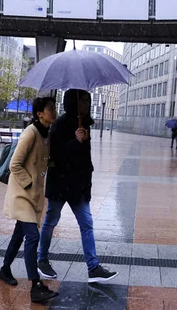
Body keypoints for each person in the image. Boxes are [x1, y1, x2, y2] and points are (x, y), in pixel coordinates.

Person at [37, 89, 118, 283]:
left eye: (88, 101)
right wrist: (76, 141)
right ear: (73, 103)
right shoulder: (58, 125)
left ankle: (93, 267)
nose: (87, 105)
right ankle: (41, 259)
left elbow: (83, 161)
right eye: (83, 101)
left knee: (86, 224)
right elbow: (55, 156)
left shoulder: (85, 125)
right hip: (60, 184)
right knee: (51, 221)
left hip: (78, 187)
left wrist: (87, 187)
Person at [0, 97, 59, 303]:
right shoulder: (30, 132)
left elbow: (43, 160)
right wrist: (29, 184)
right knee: (32, 237)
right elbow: (14, 164)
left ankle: (5, 268)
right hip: (22, 194)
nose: (54, 111)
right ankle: (36, 286)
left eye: (54, 108)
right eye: (50, 109)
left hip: (33, 196)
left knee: (19, 235)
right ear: (39, 113)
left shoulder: (46, 135)